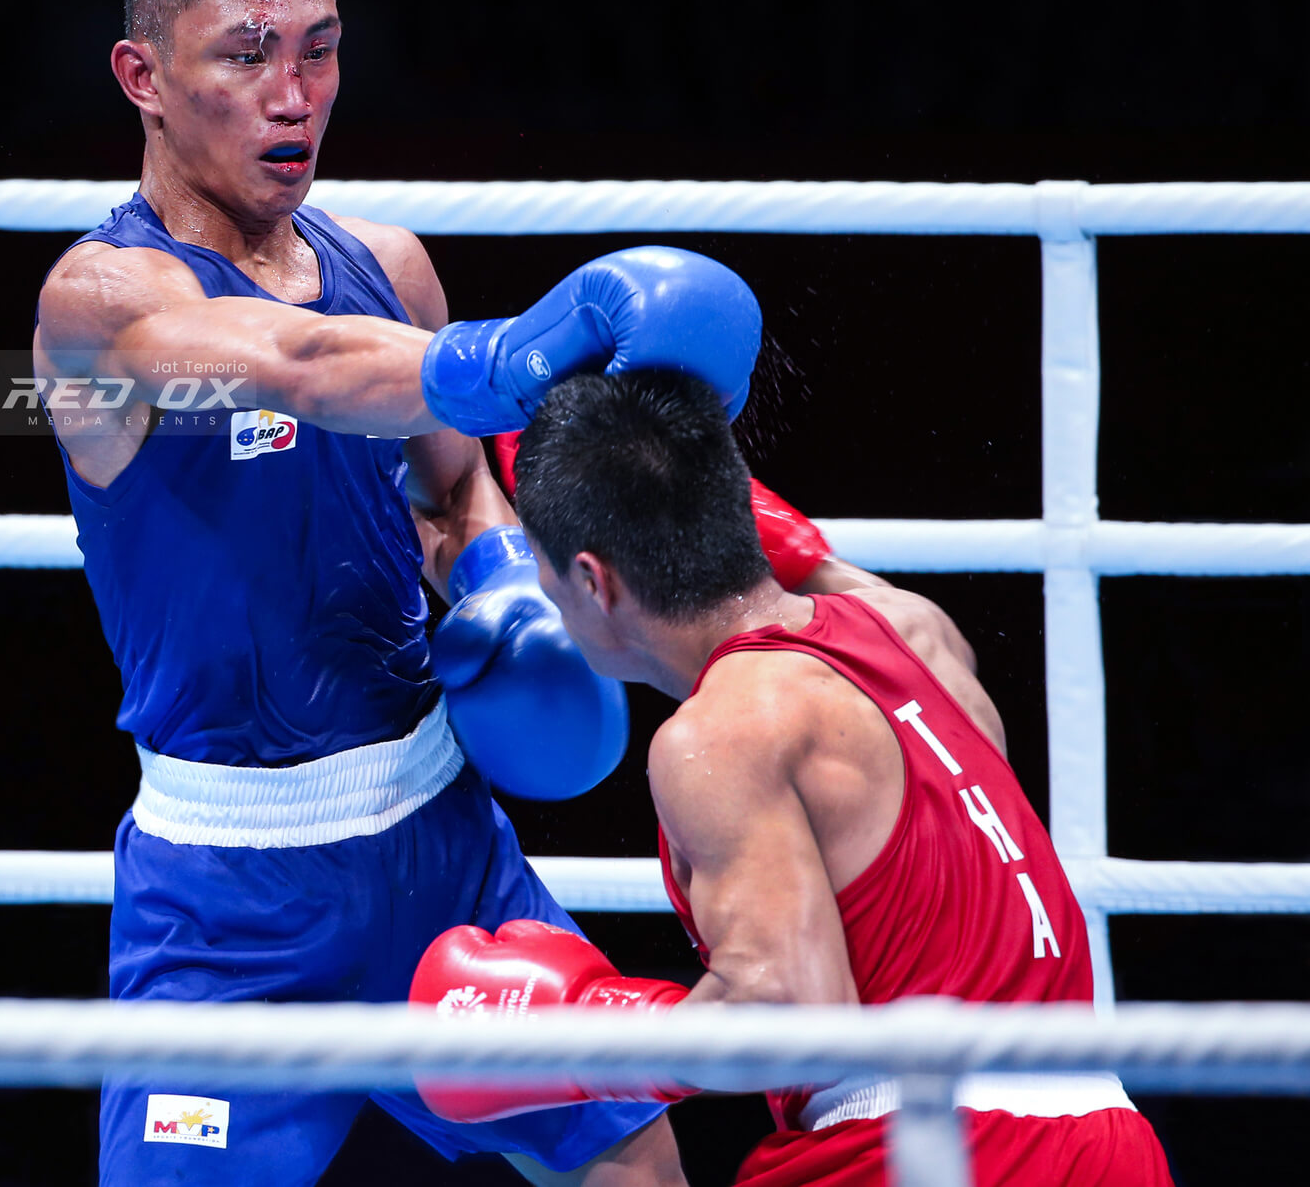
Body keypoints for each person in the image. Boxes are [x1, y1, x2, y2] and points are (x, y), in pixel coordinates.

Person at [32, 0, 814, 1187]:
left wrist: (497, 576)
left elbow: (452, 494)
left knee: (632, 1162)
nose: (293, 96)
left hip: (438, 846)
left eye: (320, 51)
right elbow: (299, 363)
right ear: (144, 78)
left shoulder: (388, 267)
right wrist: (524, 359)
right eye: (245, 56)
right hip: (224, 902)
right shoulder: (102, 299)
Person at [408, 368, 1174, 1185]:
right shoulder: (917, 632)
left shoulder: (720, 732)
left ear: (594, 580)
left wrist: (577, 1038)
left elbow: (790, 1014)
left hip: (923, 1148)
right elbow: (816, 575)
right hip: (1108, 1139)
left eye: (548, 576)